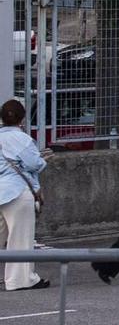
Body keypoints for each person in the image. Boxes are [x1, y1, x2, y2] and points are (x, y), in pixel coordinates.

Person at [0, 99, 49, 291]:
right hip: (16, 192)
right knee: (20, 238)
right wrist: (42, 160)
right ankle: (20, 280)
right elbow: (33, 164)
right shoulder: (22, 139)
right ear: (22, 118)